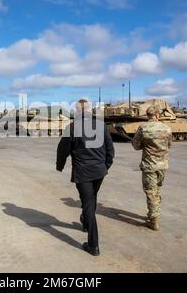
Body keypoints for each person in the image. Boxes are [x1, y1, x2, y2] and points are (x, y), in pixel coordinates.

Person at [56, 99, 115, 256]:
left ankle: (93, 245)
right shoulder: (101, 126)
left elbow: (62, 150)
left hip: (83, 172)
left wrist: (59, 166)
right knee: (91, 199)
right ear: (90, 110)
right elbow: (110, 149)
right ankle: (86, 222)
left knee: (88, 204)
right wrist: (105, 166)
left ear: (77, 111)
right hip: (99, 171)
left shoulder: (73, 128)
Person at [132, 106, 172, 231]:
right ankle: (153, 213)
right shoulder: (166, 128)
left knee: (150, 191)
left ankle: (154, 219)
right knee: (157, 190)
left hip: (149, 165)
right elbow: (169, 144)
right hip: (163, 164)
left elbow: (136, 146)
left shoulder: (143, 128)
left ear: (148, 115)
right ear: (158, 115)